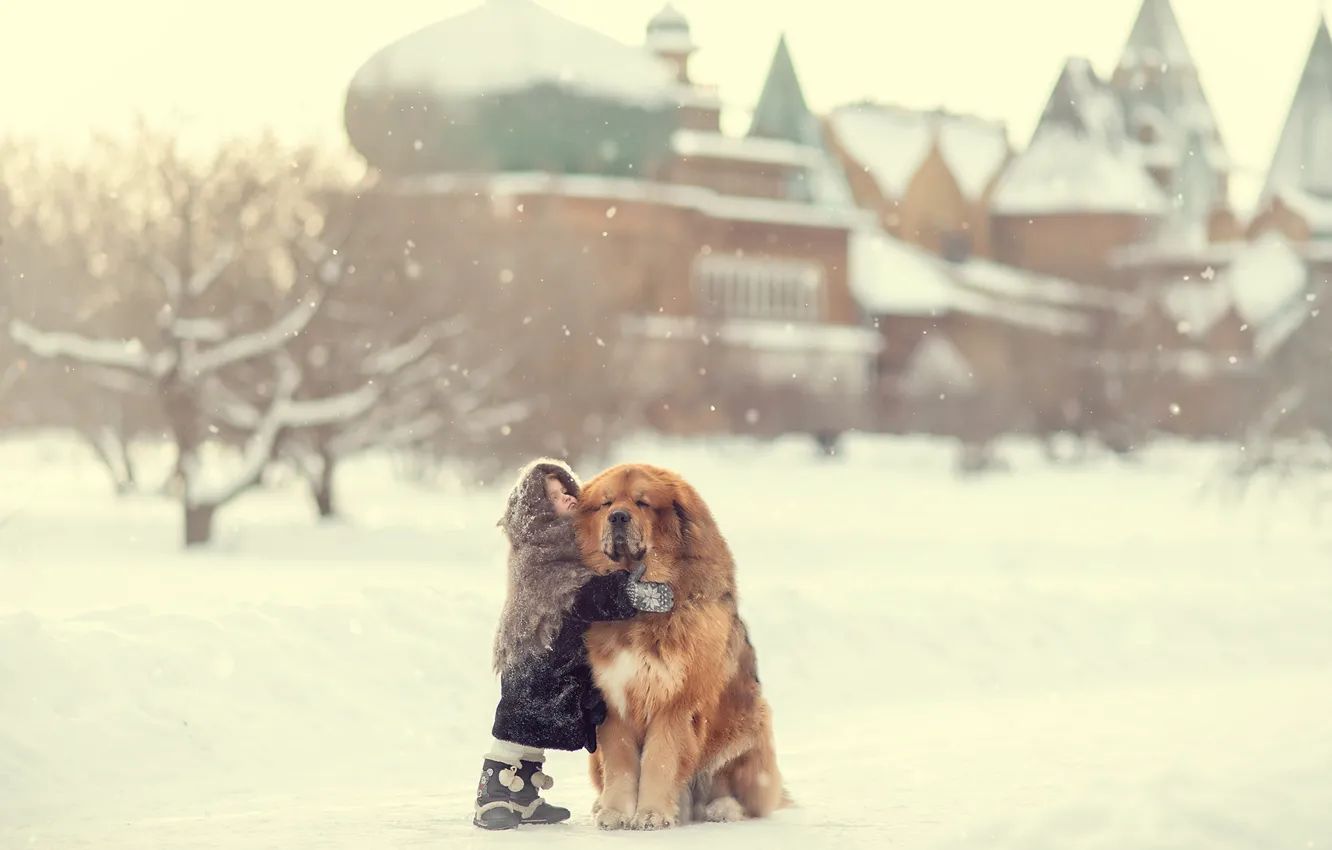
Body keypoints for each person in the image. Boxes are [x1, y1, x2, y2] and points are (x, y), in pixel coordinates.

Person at [474, 458, 674, 830]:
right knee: (517, 726)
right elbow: (580, 595)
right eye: (553, 496)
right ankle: (492, 794)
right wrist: (630, 594)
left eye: (567, 490)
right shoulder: (537, 551)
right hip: (535, 655)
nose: (566, 498)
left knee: (538, 732)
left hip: (563, 657)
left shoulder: (577, 542)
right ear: (535, 509)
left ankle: (525, 796)